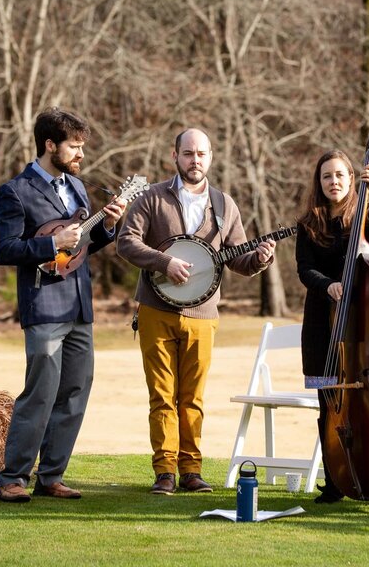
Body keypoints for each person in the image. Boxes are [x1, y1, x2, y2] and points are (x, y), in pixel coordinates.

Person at [116, 128, 276, 495]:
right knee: (161, 394)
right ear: (175, 156)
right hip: (157, 309)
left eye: (201, 154)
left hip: (203, 315)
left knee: (193, 397)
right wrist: (162, 262)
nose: (195, 160)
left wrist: (259, 260)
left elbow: (238, 258)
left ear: (210, 158)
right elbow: (126, 241)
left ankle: (191, 470)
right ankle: (164, 472)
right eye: (188, 153)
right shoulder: (152, 198)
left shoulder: (224, 204)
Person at [0, 108, 127, 503]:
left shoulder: (80, 189)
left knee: (75, 392)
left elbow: (83, 246)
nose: (81, 154)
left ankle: (51, 476)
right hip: (43, 305)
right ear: (50, 145)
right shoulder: (15, 191)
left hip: (80, 306)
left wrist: (109, 226)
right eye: (74, 146)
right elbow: (4, 250)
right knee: (40, 392)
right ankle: (12, 478)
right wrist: (52, 243)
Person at [295, 150, 369, 504]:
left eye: (340, 175)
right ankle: (336, 480)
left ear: (351, 178)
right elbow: (304, 269)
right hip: (322, 327)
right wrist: (327, 285)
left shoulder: (367, 214)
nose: (334, 182)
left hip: (364, 327)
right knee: (330, 404)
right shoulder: (308, 222)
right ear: (319, 182)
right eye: (327, 176)